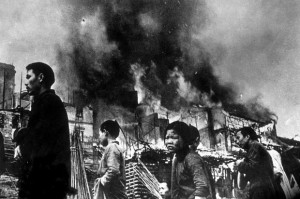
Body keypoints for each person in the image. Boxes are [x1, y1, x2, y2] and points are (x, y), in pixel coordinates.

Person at [13, 62, 71, 199]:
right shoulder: (46, 101)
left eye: (28, 77)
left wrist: (20, 139)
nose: (26, 82)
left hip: (44, 185)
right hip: (46, 183)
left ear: (40, 77)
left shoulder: (49, 102)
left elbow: (38, 141)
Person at [164, 121, 216, 199]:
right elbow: (175, 189)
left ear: (185, 139)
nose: (169, 142)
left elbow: (202, 188)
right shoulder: (176, 158)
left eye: (174, 137)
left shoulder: (192, 158)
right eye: (166, 138)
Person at [235, 127, 276, 199]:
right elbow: (241, 185)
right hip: (262, 190)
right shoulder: (252, 150)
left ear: (247, 136)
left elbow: (253, 167)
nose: (237, 141)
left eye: (238, 137)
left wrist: (239, 164)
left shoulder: (254, 145)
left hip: (261, 191)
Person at [94, 120, 127, 199]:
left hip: (114, 195)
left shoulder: (112, 147)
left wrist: (101, 181)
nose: (99, 137)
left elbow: (113, 170)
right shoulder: (114, 147)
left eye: (100, 134)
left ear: (105, 132)